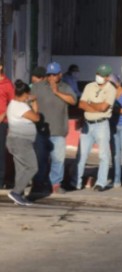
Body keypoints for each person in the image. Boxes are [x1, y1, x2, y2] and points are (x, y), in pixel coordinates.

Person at [31, 62, 76, 194]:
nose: (51, 77)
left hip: (58, 131)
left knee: (58, 159)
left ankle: (55, 183)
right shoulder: (37, 87)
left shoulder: (65, 87)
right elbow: (29, 101)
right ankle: (39, 183)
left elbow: (73, 101)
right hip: (41, 131)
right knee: (41, 159)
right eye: (49, 75)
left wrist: (57, 92)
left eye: (54, 75)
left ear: (60, 75)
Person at [74, 64, 117, 191]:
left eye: (102, 75)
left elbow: (104, 108)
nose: (98, 76)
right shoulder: (89, 86)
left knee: (103, 156)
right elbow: (81, 104)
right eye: (98, 74)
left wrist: (90, 103)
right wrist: (96, 106)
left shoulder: (111, 89)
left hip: (102, 124)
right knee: (81, 155)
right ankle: (76, 182)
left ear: (108, 77)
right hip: (87, 124)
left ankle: (101, 183)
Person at [6, 80, 40, 206]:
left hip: (19, 141)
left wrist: (33, 102)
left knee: (21, 170)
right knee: (32, 167)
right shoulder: (19, 106)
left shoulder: (16, 103)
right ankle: (16, 192)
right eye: (28, 95)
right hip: (20, 141)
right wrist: (34, 101)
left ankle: (19, 196)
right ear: (25, 94)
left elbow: (35, 113)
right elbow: (36, 117)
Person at [0, 61, 15, 189]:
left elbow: (12, 103)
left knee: (0, 152)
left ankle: (0, 180)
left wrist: (4, 115)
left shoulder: (7, 84)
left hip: (2, 123)